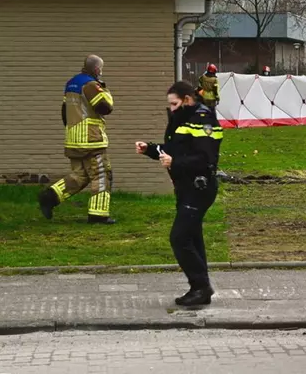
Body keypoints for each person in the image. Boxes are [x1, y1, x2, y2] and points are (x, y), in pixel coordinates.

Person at [135, 80, 223, 306]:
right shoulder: (183, 118)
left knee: (179, 237)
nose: (171, 109)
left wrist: (176, 162)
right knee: (193, 237)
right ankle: (201, 288)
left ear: (186, 99)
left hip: (198, 187)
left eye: (174, 104)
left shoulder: (204, 119)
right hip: (185, 187)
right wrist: (151, 149)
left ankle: (201, 286)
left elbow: (206, 159)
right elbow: (175, 148)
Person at [38, 55, 116, 224]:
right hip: (91, 139)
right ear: (96, 70)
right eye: (101, 69)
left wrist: (72, 130)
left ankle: (49, 197)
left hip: (74, 138)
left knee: (80, 176)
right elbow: (105, 107)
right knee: (102, 175)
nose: (101, 72)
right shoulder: (91, 85)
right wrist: (105, 90)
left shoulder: (71, 84)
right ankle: (98, 215)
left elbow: (64, 111)